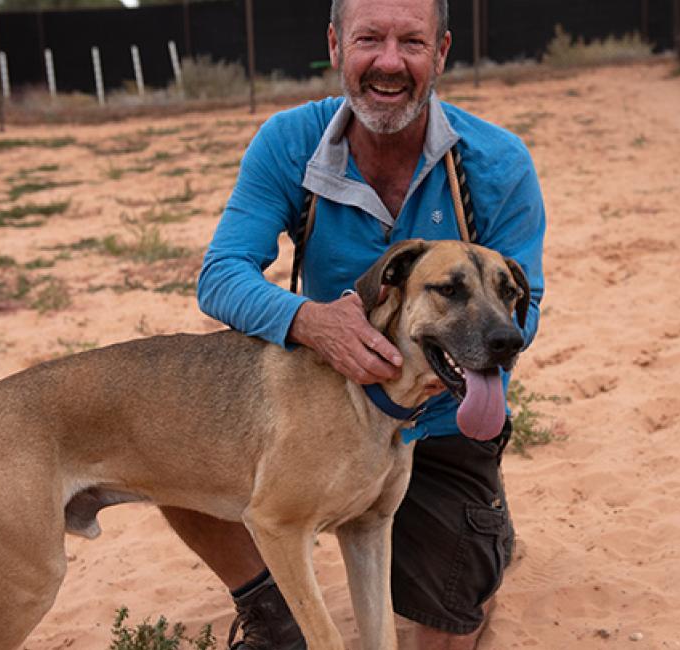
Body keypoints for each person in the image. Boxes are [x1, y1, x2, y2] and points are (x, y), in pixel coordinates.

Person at [162, 0, 546, 647]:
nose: (389, 62)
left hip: (444, 416)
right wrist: (308, 319)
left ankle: (483, 528)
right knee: (170, 429)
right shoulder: (290, 142)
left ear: (442, 53)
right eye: (369, 38)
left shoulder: (497, 162)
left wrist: (429, 367)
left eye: (412, 42)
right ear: (336, 46)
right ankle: (267, 604)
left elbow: (519, 315)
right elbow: (222, 274)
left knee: (446, 628)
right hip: (330, 401)